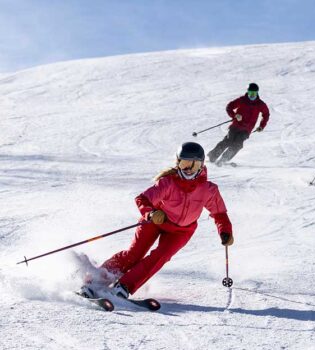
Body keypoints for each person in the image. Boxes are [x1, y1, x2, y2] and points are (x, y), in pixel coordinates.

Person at [81, 142, 234, 299]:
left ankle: (124, 286)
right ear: (177, 163)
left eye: (193, 166)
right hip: (156, 221)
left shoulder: (208, 190)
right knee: (135, 254)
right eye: (184, 164)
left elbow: (220, 213)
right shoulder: (168, 183)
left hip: (182, 231)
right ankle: (96, 280)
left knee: (160, 257)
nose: (188, 170)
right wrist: (151, 213)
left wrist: (226, 231)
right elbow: (142, 199)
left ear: (201, 166)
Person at [207, 83, 270, 165]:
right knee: (228, 141)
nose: (252, 95)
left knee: (238, 144)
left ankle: (224, 159)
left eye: (254, 93)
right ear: (248, 92)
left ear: (257, 93)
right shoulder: (242, 100)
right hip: (236, 126)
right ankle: (213, 156)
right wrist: (235, 115)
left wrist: (262, 126)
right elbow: (229, 107)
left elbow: (266, 114)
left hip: (246, 130)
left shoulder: (260, 104)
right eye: (250, 93)